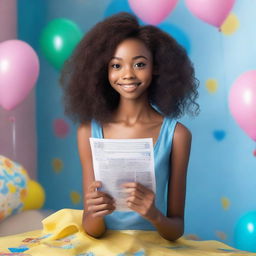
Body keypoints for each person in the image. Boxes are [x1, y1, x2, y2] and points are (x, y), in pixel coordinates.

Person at [60, 12, 199, 242]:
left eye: (139, 64)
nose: (127, 74)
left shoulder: (177, 135)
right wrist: (94, 211)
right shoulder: (87, 131)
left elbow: (176, 229)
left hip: (153, 246)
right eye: (116, 65)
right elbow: (92, 229)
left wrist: (154, 215)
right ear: (103, 71)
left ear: (156, 67)